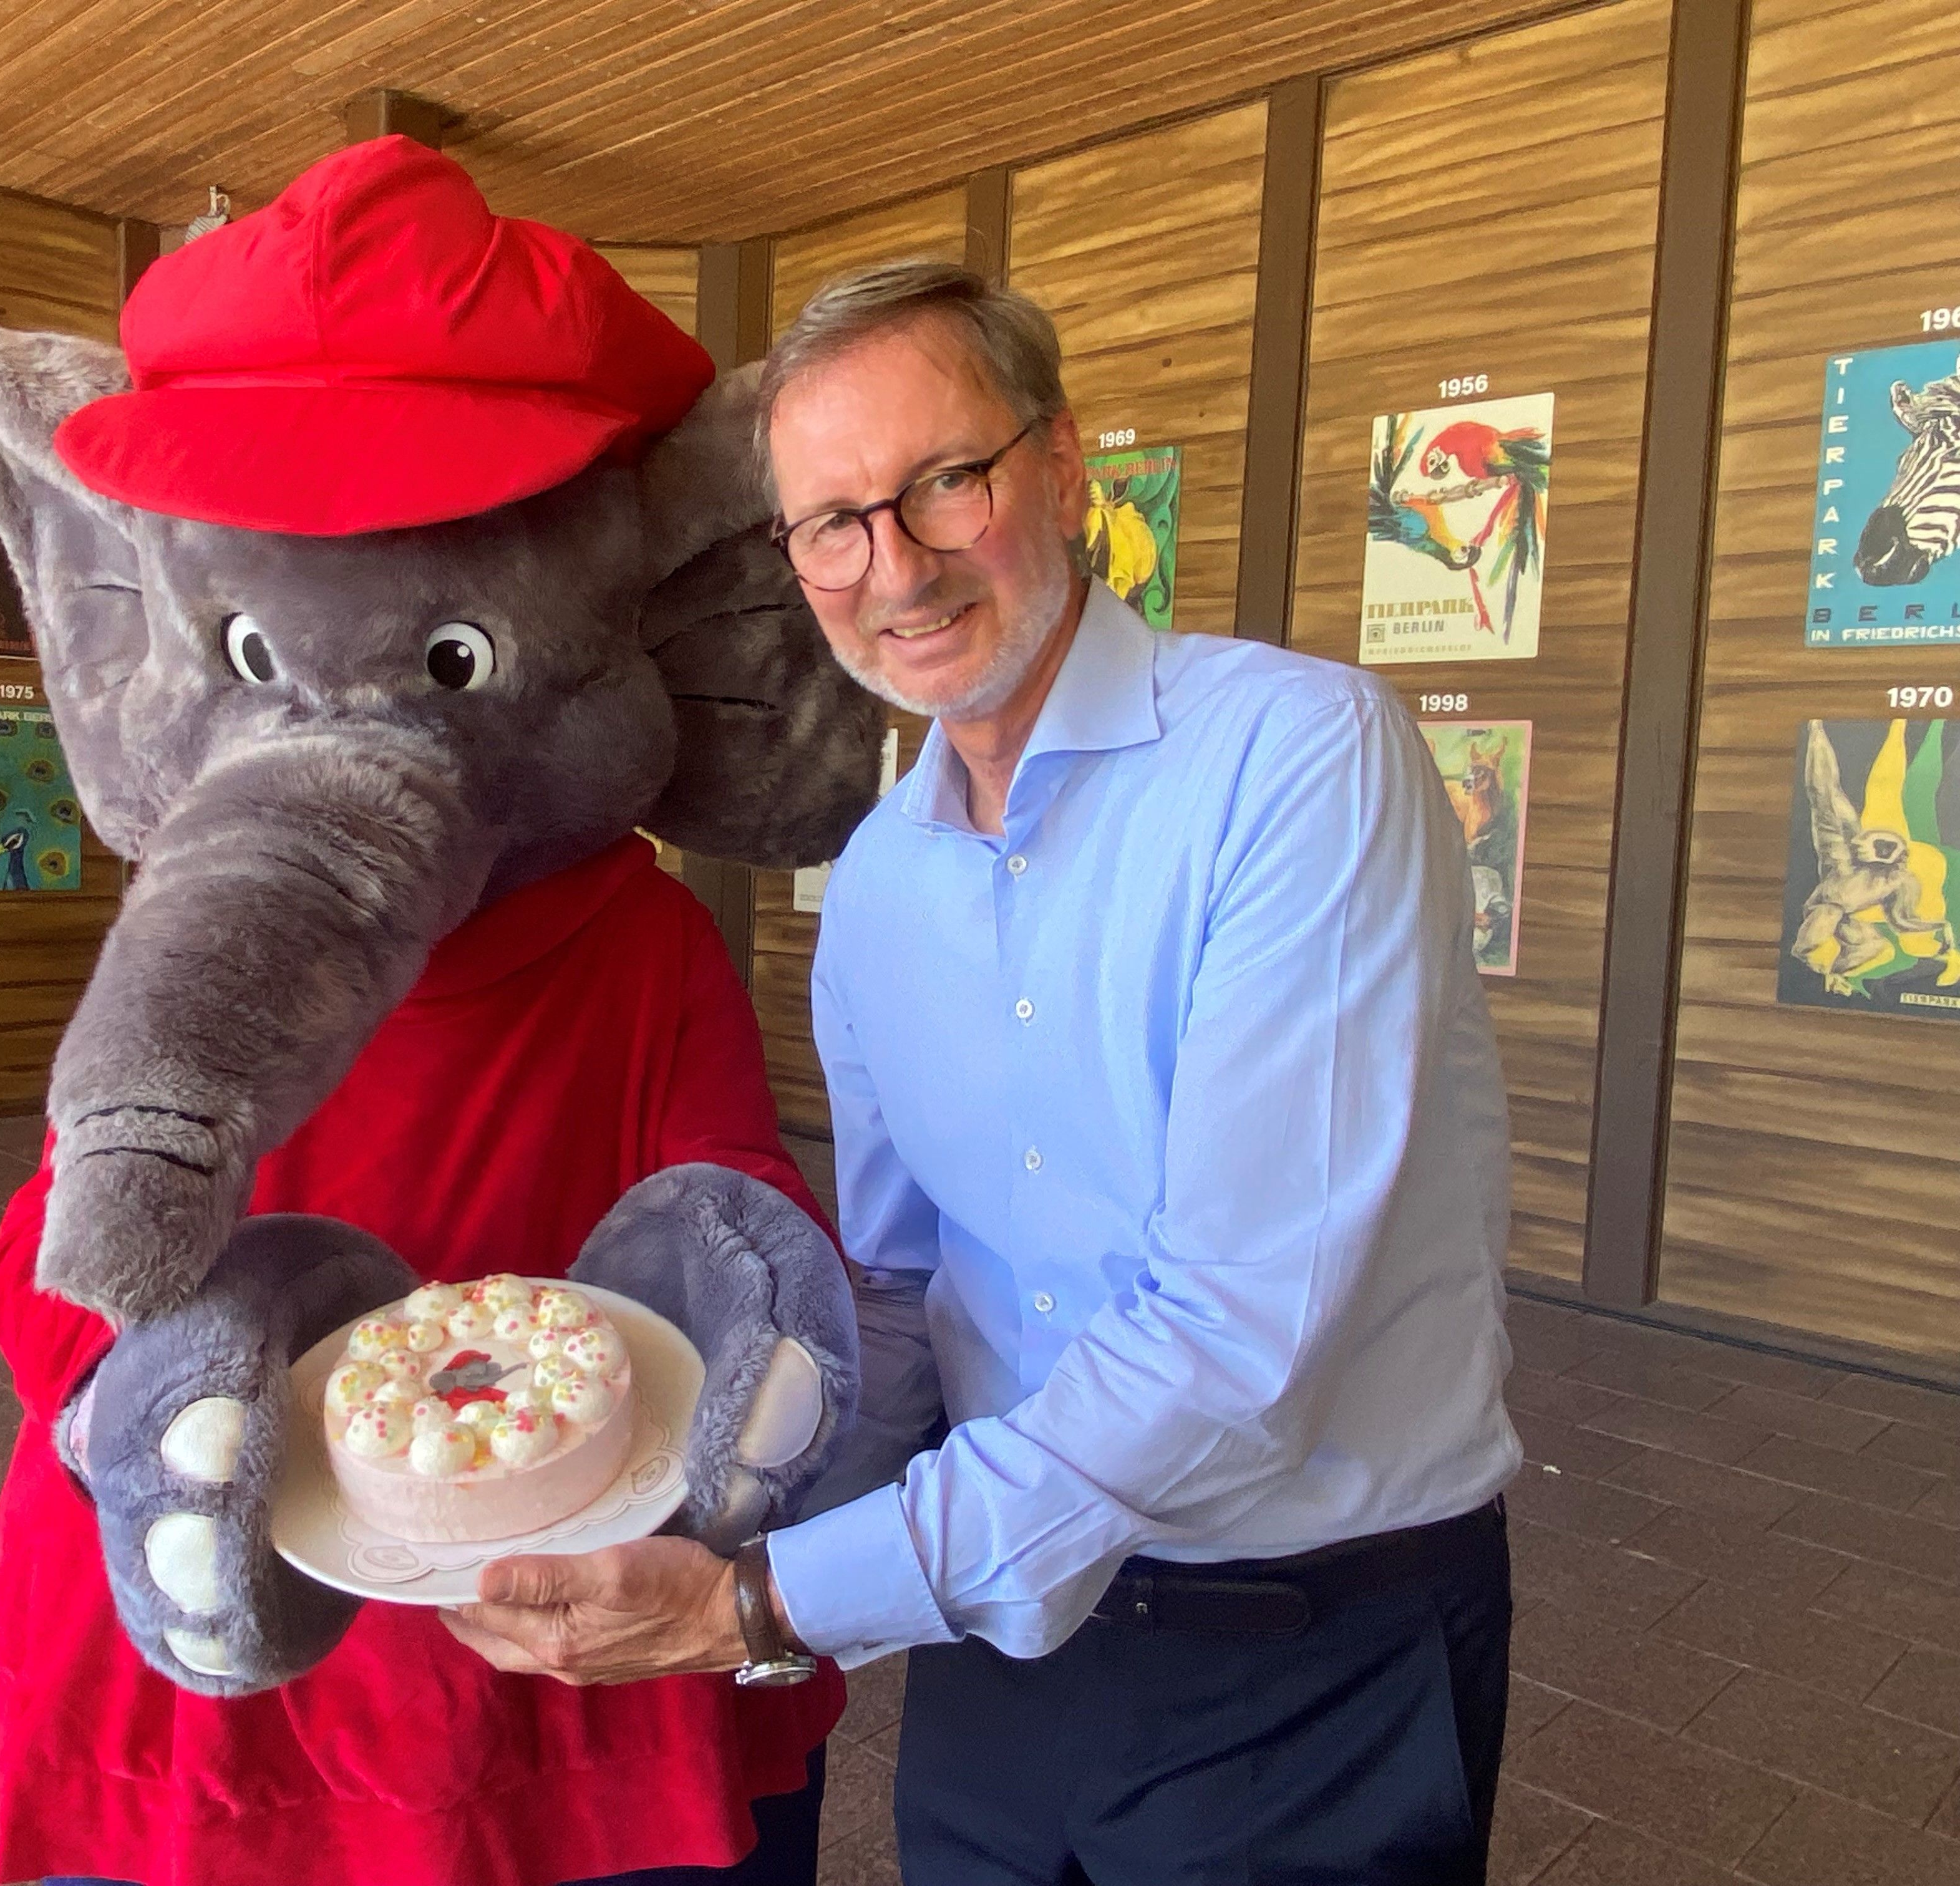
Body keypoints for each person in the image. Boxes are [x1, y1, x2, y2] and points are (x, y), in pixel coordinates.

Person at [444, 260, 1525, 1886]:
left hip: (1297, 1635)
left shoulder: (1296, 760)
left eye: (945, 482)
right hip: (1001, 1642)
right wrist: (679, 1497)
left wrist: (767, 1605)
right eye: (832, 524)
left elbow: (1236, 1342)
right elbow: (895, 1291)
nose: (897, 566)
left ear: (1065, 466)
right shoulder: (877, 878)